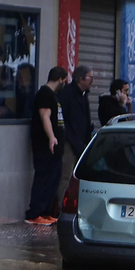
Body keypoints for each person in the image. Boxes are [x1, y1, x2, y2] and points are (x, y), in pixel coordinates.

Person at [25, 66, 69, 226]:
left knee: (53, 178)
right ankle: (34, 212)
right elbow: (45, 117)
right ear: (60, 79)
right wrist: (51, 138)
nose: (65, 84)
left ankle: (45, 212)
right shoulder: (44, 94)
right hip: (45, 146)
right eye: (65, 81)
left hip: (55, 148)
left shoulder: (53, 96)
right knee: (43, 178)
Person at [56, 65, 94, 200]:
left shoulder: (84, 95)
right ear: (80, 79)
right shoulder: (68, 94)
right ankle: (61, 208)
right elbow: (63, 120)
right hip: (69, 141)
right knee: (66, 176)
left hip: (81, 142)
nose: (92, 81)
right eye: (90, 77)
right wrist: (69, 138)